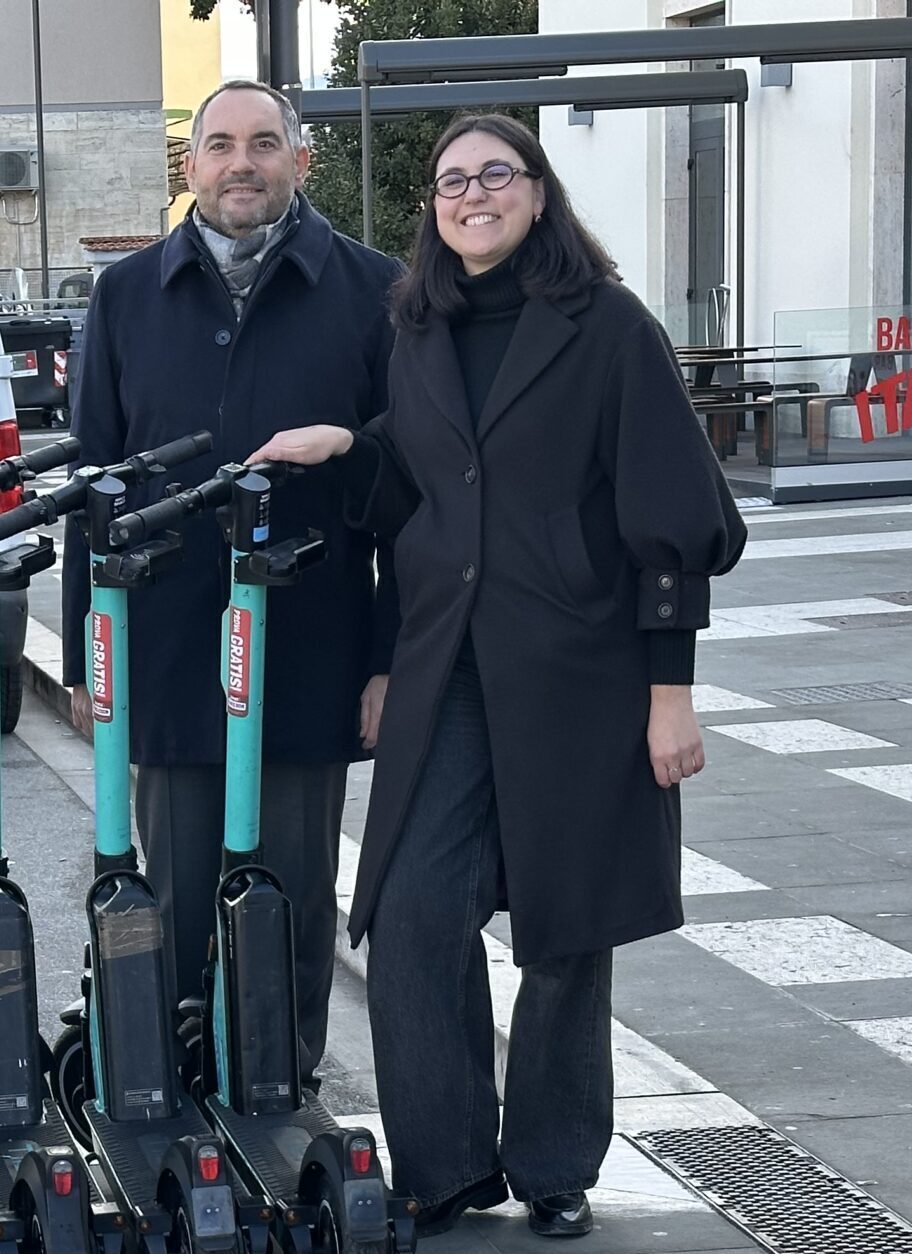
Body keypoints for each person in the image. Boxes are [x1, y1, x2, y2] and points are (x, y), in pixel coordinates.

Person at [250, 113, 747, 1240]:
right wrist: (351, 448)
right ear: (434, 208)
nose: (472, 196)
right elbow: (426, 486)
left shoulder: (609, 326)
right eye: (451, 182)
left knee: (569, 927)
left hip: (584, 670)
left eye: (495, 176)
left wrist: (671, 691)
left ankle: (557, 1163)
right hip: (450, 668)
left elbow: (674, 518)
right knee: (417, 911)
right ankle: (446, 1163)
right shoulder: (417, 327)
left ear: (536, 191)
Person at [60, 80, 400, 1087]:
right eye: (219, 145)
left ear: (300, 158)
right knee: (167, 901)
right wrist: (90, 654)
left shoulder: (373, 291)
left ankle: (278, 1090)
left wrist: (385, 664)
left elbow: (408, 488)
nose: (240, 163)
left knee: (291, 899)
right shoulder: (126, 297)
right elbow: (95, 482)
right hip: (164, 653)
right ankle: (163, 1098)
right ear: (192, 165)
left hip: (307, 655)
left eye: (263, 143)